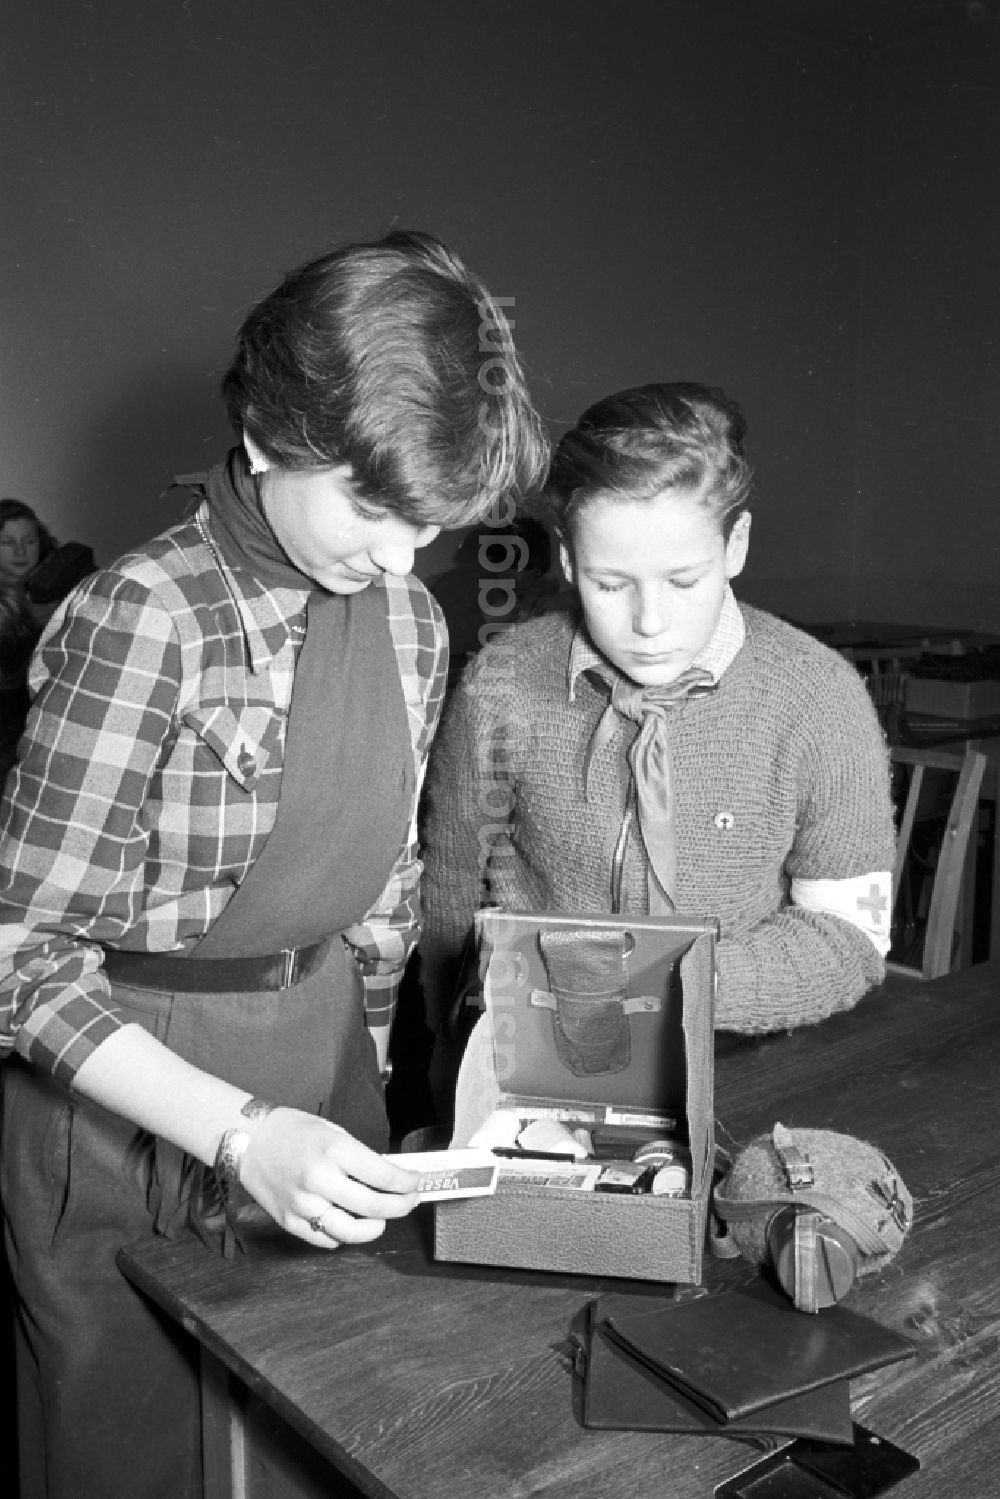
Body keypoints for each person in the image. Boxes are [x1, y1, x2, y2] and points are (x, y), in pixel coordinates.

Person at [0, 229, 548, 1499]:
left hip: (319, 1077)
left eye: (434, 525)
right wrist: (241, 1135)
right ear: (267, 435)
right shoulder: (146, 615)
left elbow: (384, 899)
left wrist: (375, 1079)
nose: (407, 559)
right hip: (127, 1100)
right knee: (136, 1454)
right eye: (374, 508)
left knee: (324, 1434)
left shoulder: (410, 619)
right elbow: (18, 954)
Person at [421, 381, 896, 1120]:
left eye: (684, 580)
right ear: (571, 563)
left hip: (746, 1077)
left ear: (735, 545)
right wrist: (451, 1074)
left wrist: (669, 981)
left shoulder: (820, 700)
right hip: (536, 1084)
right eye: (612, 583)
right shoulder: (501, 686)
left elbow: (849, 938)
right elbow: (449, 905)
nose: (649, 621)